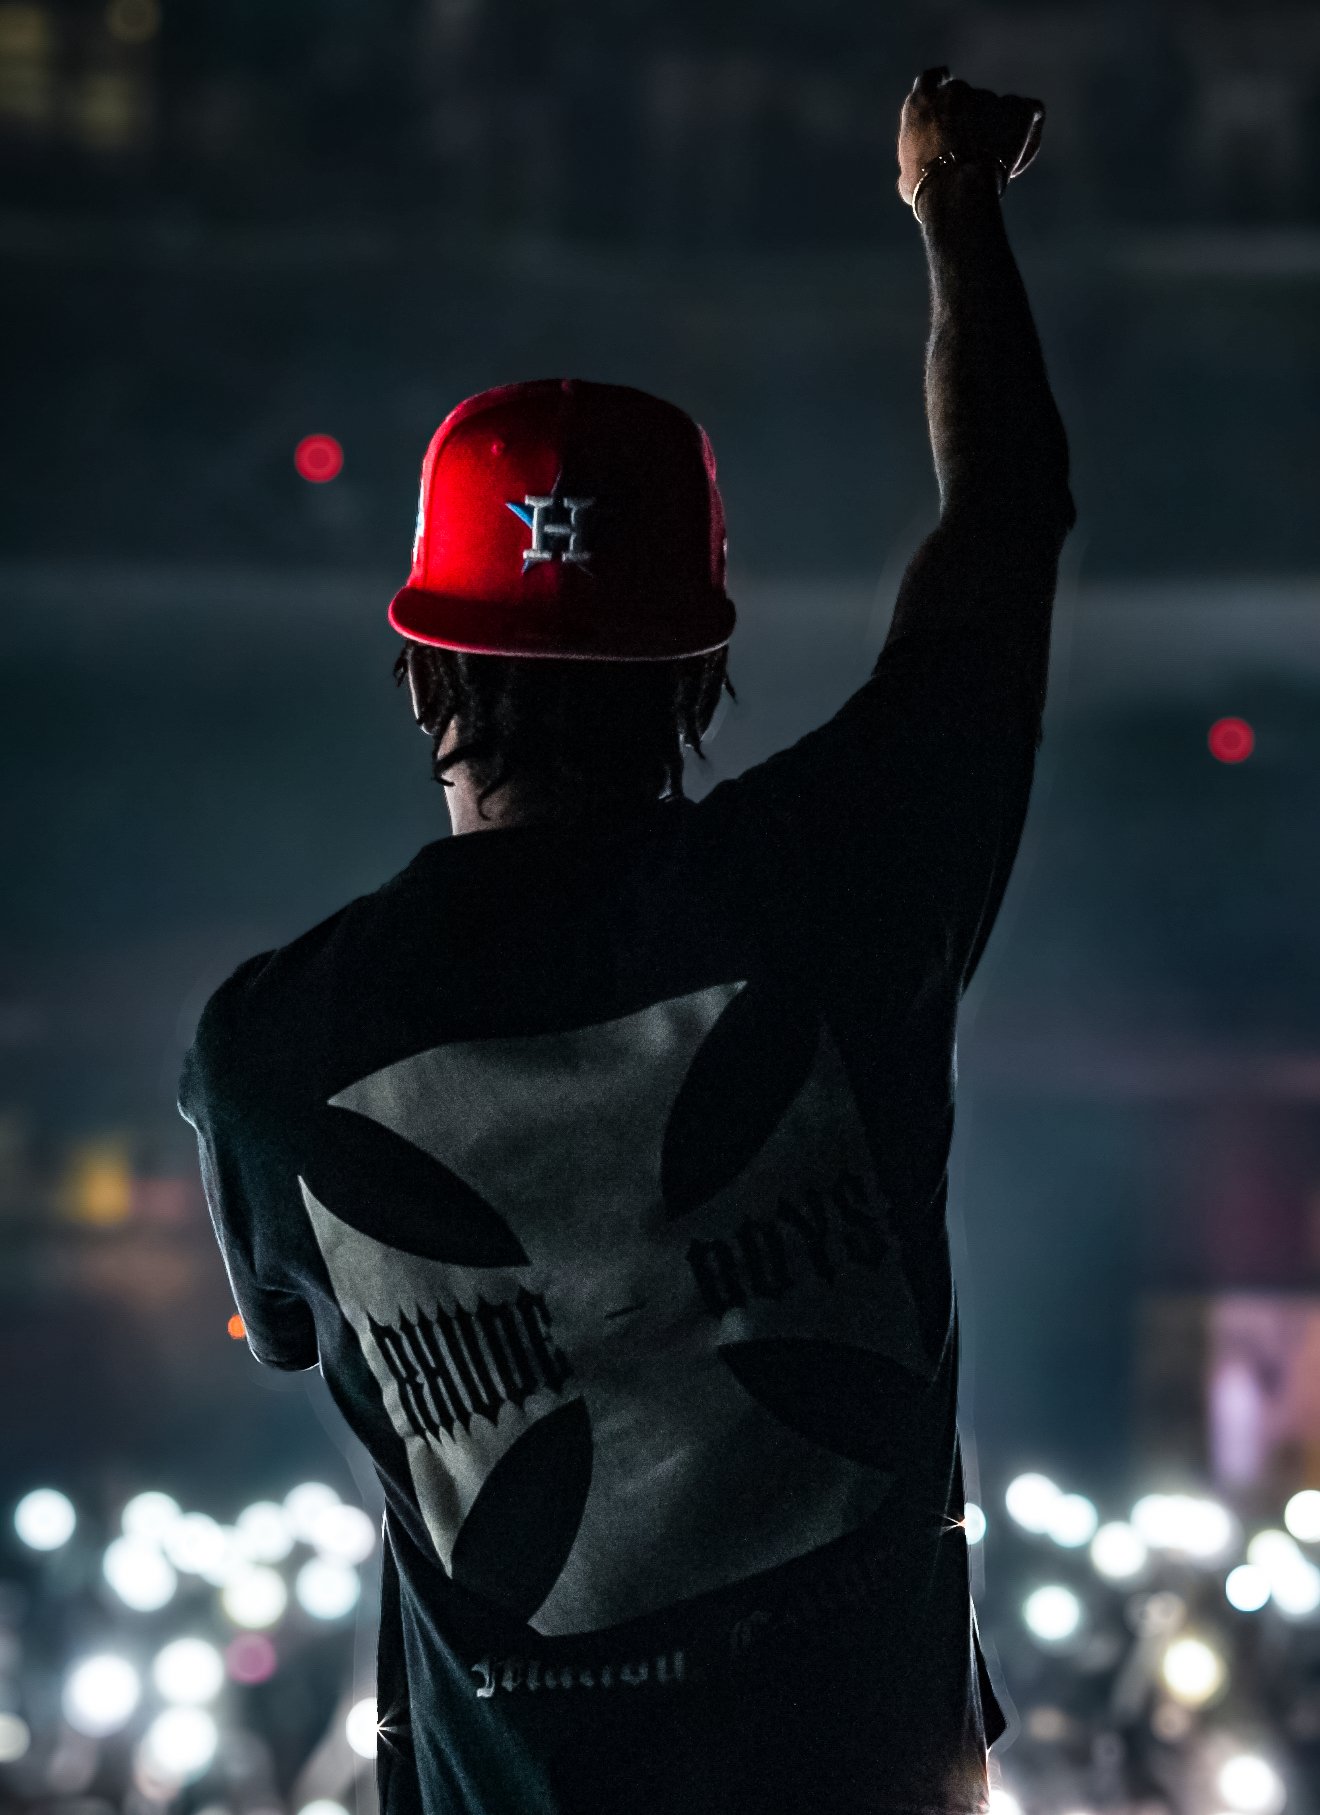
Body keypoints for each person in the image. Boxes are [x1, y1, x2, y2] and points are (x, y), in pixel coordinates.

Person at [178, 66, 1075, 1815]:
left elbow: (298, 1332)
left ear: (425, 673)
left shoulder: (269, 1060)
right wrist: (951, 194)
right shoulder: (851, 887)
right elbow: (1005, 524)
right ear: (698, 675)